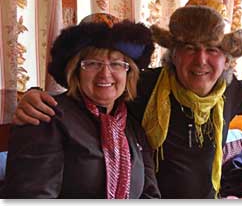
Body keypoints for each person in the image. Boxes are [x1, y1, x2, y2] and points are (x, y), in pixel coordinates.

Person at [11, 0, 242, 198]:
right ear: (173, 54)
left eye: (213, 49)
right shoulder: (145, 88)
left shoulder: (228, 93)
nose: (201, 60)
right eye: (190, 47)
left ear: (227, 59)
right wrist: (33, 95)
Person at [2, 13, 160, 199]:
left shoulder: (132, 126)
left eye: (116, 64)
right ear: (75, 70)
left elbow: (149, 194)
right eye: (93, 63)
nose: (105, 74)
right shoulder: (45, 117)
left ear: (129, 73)